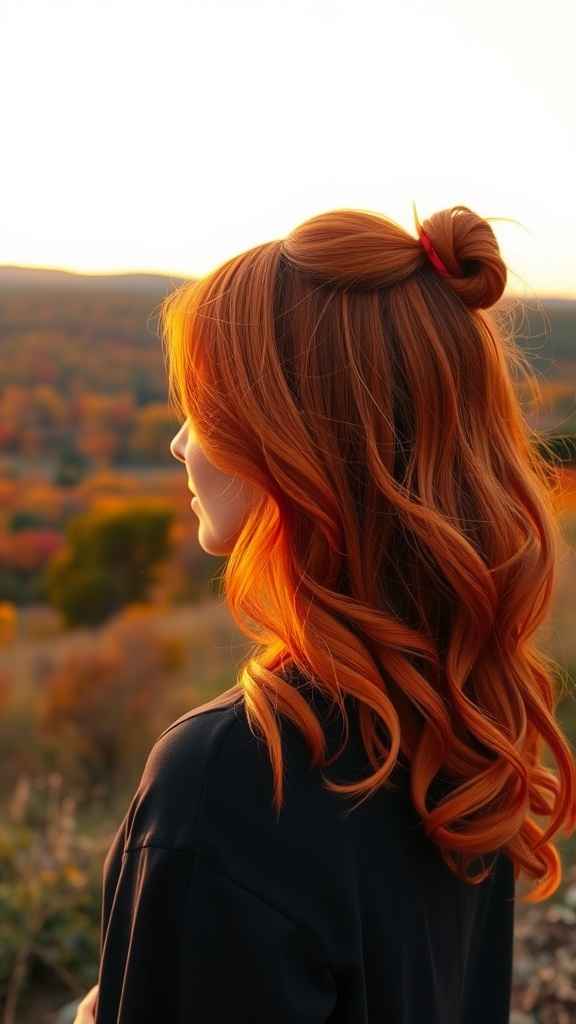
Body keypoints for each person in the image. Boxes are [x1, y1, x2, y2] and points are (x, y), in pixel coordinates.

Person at [75, 205, 576, 1024]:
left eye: (201, 410)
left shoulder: (233, 779)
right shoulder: (462, 727)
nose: (178, 445)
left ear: (285, 443)